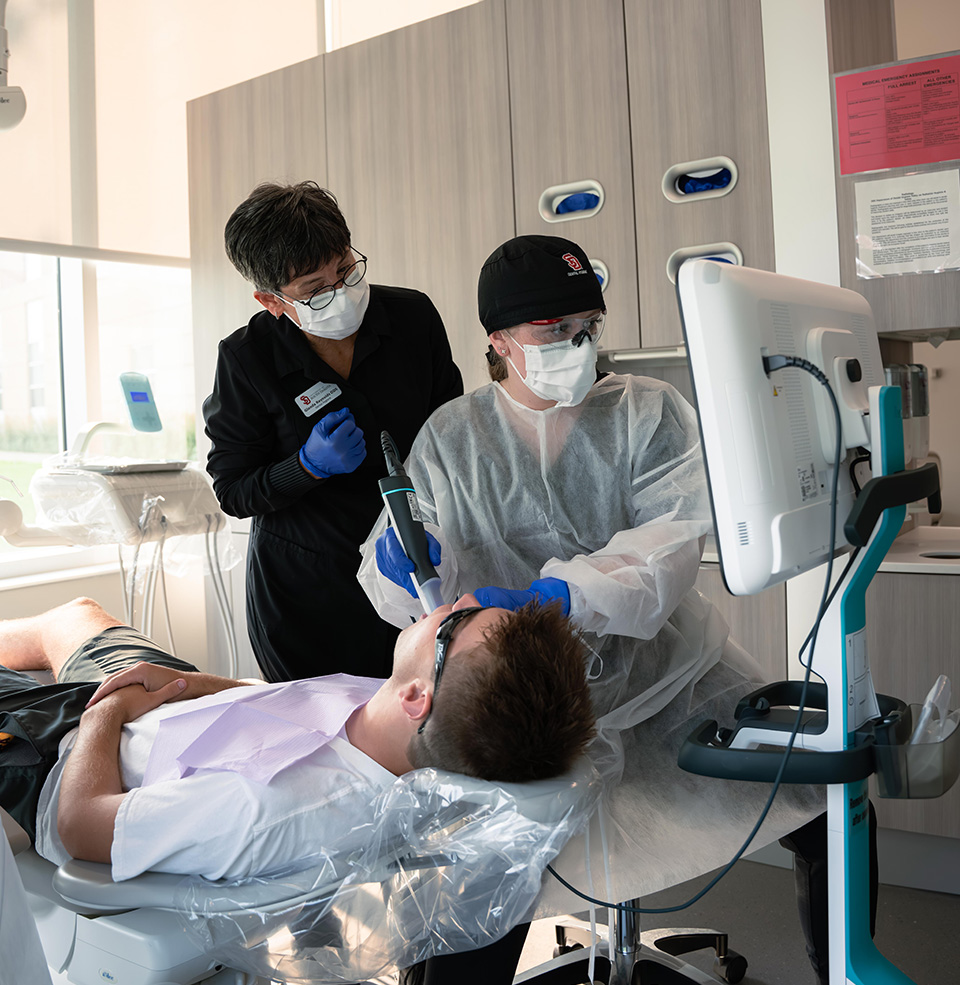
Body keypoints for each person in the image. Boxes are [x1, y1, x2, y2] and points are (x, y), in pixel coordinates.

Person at [359, 235, 871, 985]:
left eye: (587, 326)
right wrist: (398, 559)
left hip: (667, 676)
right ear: (498, 342)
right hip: (522, 699)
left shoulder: (648, 411)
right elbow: (401, 567)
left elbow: (667, 550)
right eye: (553, 332)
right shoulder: (451, 437)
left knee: (829, 796)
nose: (578, 345)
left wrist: (559, 594)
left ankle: (845, 973)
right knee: (479, 878)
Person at [0, 595, 594, 883]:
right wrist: (184, 684)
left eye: (460, 621)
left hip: (60, 756)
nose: (457, 600)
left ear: (420, 698)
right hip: (168, 704)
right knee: (74, 616)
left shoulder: (265, 807)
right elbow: (284, 703)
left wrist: (104, 715)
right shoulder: (391, 724)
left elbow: (80, 827)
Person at [203, 181, 464, 683]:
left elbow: (454, 438)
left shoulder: (412, 319)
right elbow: (234, 491)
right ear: (272, 300)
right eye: (315, 289)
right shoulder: (246, 359)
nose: (340, 293)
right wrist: (305, 467)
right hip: (309, 595)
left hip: (412, 567)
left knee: (426, 721)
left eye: (344, 270)